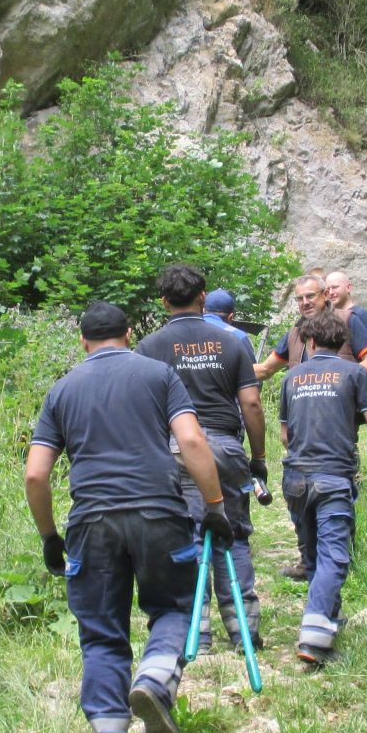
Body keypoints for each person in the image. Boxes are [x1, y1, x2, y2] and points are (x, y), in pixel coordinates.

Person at [27, 300, 234, 733]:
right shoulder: (159, 375)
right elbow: (192, 442)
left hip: (91, 522)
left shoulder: (62, 390)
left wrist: (49, 536)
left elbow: (36, 474)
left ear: (83, 341)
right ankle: (156, 677)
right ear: (129, 332)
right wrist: (215, 506)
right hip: (158, 512)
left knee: (101, 633)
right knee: (174, 606)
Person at [139, 265, 268, 653]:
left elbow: (146, 411)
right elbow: (250, 402)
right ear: (202, 296)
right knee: (234, 534)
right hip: (225, 449)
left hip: (175, 450)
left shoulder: (149, 348)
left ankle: (199, 632)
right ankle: (243, 629)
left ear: (164, 302)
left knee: (188, 536)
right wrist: (258, 457)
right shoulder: (234, 343)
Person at [279, 308, 367, 666]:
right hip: (334, 476)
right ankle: (314, 637)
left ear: (311, 342)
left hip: (296, 476)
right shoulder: (355, 373)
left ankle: (326, 620)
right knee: (335, 556)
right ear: (342, 341)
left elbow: (285, 435)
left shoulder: (292, 378)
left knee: (314, 556)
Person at [252, 274, 328, 381]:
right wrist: (227, 368)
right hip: (304, 396)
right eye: (300, 298)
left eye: (310, 296)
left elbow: (361, 366)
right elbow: (266, 369)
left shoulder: (347, 322)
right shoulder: (294, 335)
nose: (305, 302)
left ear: (325, 294)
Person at [322, 269, 367, 375]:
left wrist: (345, 374)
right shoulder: (327, 317)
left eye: (335, 287)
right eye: (328, 290)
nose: (331, 292)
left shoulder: (361, 315)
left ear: (349, 287)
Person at [202, 288, 257, 356]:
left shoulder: (187, 328)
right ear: (231, 317)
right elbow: (252, 366)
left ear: (203, 310)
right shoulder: (239, 336)